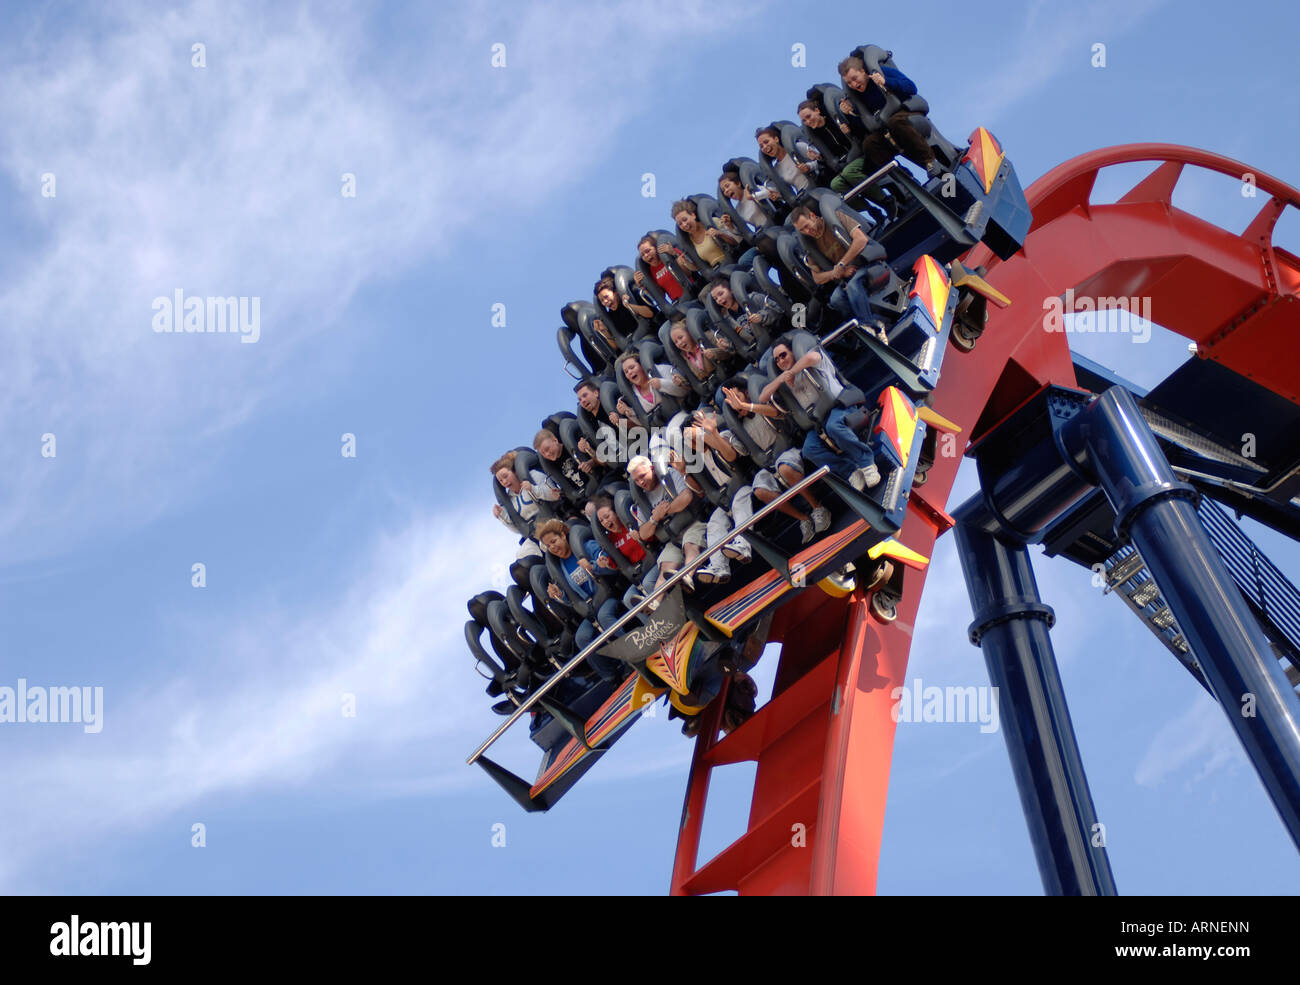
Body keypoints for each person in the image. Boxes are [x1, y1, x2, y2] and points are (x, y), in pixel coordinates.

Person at [759, 336, 882, 491]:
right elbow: (763, 396)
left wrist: (792, 371)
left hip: (841, 406)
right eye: (777, 360)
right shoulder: (786, 381)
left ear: (793, 352)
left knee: (834, 426)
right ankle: (851, 471)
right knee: (809, 449)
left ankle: (867, 463)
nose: (781, 361)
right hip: (820, 421)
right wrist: (780, 379)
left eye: (783, 355)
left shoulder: (813, 360)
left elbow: (812, 357)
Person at [719, 380, 831, 543]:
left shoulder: (760, 405)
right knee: (759, 490)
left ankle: (818, 507)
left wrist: (747, 405)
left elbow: (777, 412)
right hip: (770, 462)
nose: (736, 402)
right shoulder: (739, 426)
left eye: (738, 396)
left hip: (790, 449)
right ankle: (803, 518)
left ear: (747, 393)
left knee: (785, 468)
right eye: (732, 401)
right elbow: (737, 450)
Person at [534, 518, 626, 682]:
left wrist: (595, 566)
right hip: (591, 608)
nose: (553, 547)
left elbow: (611, 568)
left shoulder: (585, 546)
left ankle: (633, 651)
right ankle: (611, 676)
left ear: (563, 536)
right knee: (581, 637)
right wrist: (559, 595)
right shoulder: (560, 567)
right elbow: (573, 601)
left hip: (609, 595)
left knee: (605, 616)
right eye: (549, 546)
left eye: (554, 541)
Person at [789, 203, 889, 338]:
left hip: (867, 262)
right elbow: (817, 278)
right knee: (835, 299)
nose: (807, 231)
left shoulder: (835, 218)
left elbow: (860, 239)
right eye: (802, 230)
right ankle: (872, 323)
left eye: (807, 226)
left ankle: (872, 328)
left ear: (812, 216)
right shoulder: (810, 244)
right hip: (846, 275)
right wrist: (837, 272)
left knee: (854, 285)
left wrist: (842, 264)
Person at [837, 55, 943, 179]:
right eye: (849, 83)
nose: (854, 84)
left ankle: (930, 161)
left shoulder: (882, 71)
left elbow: (911, 87)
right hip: (886, 127)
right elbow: (865, 126)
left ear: (862, 71)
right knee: (869, 143)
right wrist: (850, 114)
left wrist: (886, 82)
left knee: (895, 122)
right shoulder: (856, 97)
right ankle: (905, 178)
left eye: (855, 78)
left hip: (906, 112)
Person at [627, 454, 706, 595]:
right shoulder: (643, 498)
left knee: (689, 545)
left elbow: (686, 497)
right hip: (673, 538)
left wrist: (664, 511)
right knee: (665, 566)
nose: (641, 482)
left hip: (693, 523)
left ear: (652, 468)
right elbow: (644, 533)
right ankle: (655, 603)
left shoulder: (670, 474)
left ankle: (687, 576)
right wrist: (654, 519)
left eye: (643, 476)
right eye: (637, 480)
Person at [671, 199, 742, 270]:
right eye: (680, 224)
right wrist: (685, 262)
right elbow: (697, 268)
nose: (684, 224)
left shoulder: (713, 222)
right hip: (717, 273)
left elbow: (735, 242)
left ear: (693, 215)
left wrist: (720, 234)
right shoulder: (689, 242)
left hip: (732, 263)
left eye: (685, 219)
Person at [756, 125, 820, 196]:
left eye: (766, 142)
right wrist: (777, 196)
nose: (764, 147)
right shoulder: (776, 169)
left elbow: (821, 160)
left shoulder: (797, 147)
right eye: (761, 146)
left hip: (818, 185)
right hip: (804, 196)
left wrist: (809, 167)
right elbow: (785, 190)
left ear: (776, 139)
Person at [668, 317, 729, 382]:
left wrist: (715, 353)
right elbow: (695, 383)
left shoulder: (706, 336)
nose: (679, 343)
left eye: (680, 337)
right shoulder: (684, 356)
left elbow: (730, 352)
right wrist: (682, 383)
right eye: (676, 342)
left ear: (689, 332)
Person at [634, 235, 689, 303]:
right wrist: (641, 286)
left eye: (648, 251)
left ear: (656, 248)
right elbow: (660, 295)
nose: (646, 255)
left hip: (691, 292)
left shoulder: (670, 253)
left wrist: (674, 253)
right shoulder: (651, 272)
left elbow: (690, 269)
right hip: (679, 303)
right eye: (642, 255)